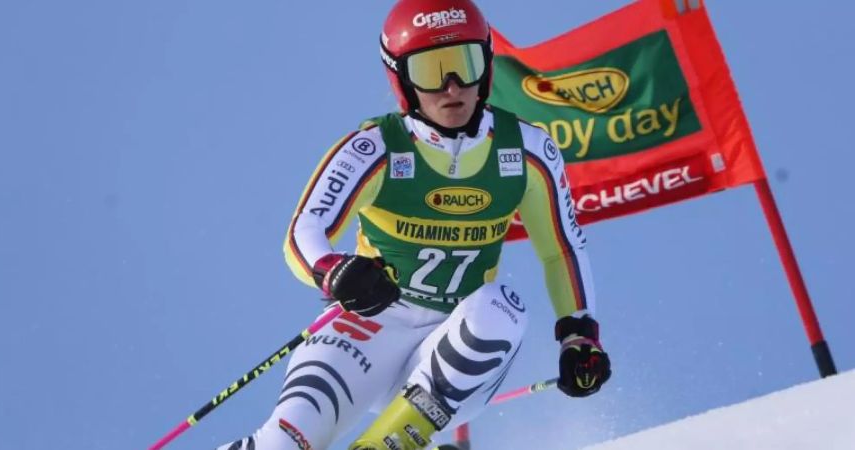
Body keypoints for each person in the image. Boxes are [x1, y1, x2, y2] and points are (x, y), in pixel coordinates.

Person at [218, 0, 610, 448]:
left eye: (466, 63)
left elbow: (562, 248)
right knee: (284, 443)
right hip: (367, 329)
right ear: (401, 79)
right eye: (430, 69)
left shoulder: (527, 150)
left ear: (486, 67)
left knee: (501, 306)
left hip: (455, 348)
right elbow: (303, 231)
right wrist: (333, 270)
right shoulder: (375, 148)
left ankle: (395, 442)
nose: (452, 86)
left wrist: (579, 335)